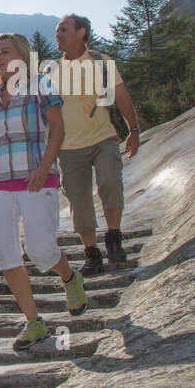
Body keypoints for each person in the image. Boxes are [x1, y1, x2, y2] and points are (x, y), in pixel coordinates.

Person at [0, 33, 89, 350]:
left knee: (41, 250)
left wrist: (45, 167)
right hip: (2, 187)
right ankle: (35, 323)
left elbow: (58, 130)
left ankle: (69, 277)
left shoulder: (41, 86)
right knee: (6, 255)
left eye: (5, 51)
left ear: (23, 55)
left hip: (37, 180)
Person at [53, 14, 141, 274]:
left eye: (63, 30)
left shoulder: (102, 62)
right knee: (78, 202)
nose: (57, 34)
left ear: (81, 33)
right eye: (56, 31)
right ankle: (92, 253)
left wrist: (133, 129)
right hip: (68, 148)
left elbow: (122, 97)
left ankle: (113, 237)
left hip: (103, 137)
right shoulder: (50, 70)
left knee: (110, 182)